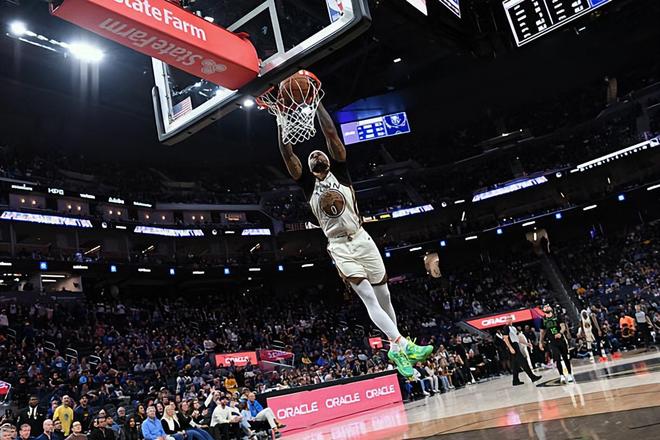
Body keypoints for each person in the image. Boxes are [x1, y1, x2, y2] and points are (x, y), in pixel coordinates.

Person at [276, 99, 432, 377]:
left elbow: (331, 134)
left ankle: (396, 350)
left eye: (319, 153)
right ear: (309, 167)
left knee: (384, 296)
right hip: (339, 246)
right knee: (369, 297)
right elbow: (288, 155)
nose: (316, 154)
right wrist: (281, 122)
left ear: (327, 159)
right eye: (311, 156)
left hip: (361, 237)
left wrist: (317, 103)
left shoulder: (340, 172)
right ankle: (402, 343)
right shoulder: (307, 185)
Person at [502, 317, 542, 386]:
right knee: (523, 362)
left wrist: (526, 343)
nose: (508, 320)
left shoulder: (513, 328)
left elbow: (517, 338)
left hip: (516, 345)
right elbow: (505, 338)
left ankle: (515, 381)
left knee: (515, 365)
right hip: (513, 346)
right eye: (507, 319)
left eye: (510, 319)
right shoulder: (506, 328)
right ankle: (532, 377)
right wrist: (510, 348)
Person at [540, 305, 573, 384]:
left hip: (561, 340)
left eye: (548, 306)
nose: (547, 307)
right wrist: (540, 342)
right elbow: (542, 332)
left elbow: (563, 327)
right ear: (543, 310)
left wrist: (560, 333)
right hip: (551, 341)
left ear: (551, 308)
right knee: (557, 358)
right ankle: (561, 375)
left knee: (565, 357)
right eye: (545, 307)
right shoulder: (542, 320)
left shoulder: (557, 316)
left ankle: (569, 374)